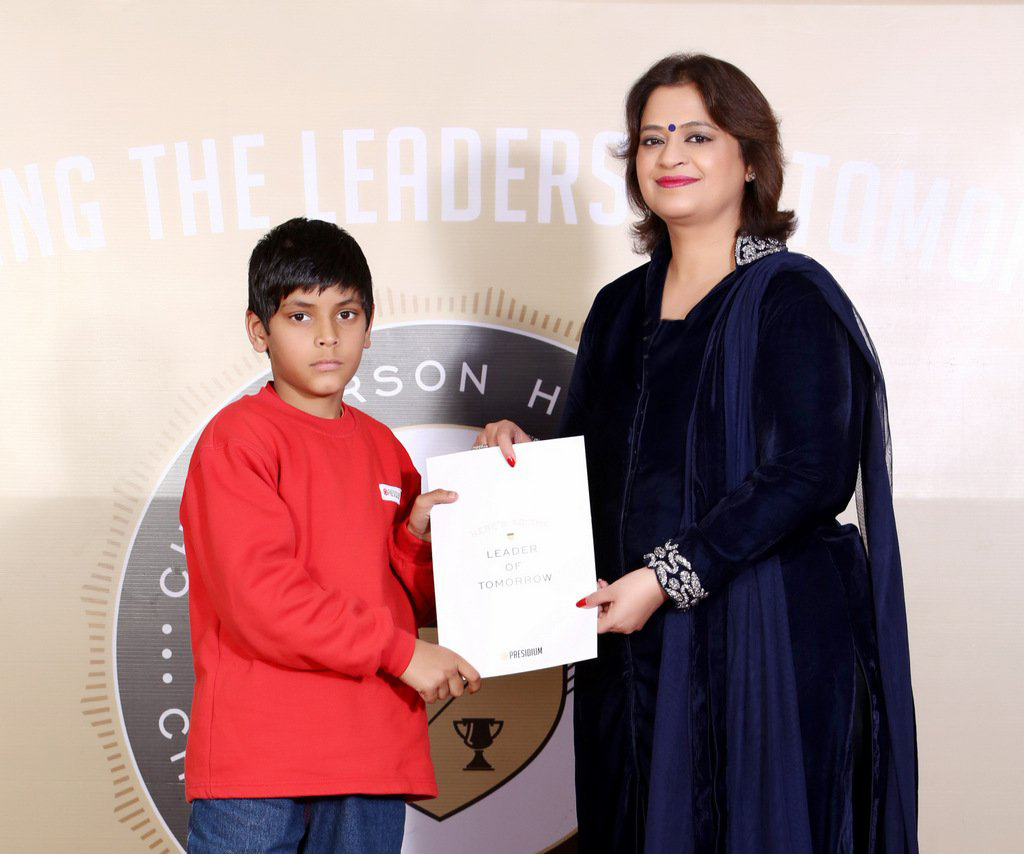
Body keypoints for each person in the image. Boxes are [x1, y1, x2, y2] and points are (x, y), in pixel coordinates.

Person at [477, 55, 917, 853]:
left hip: (764, 648)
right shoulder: (618, 308)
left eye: (697, 135)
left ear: (749, 160)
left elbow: (812, 472)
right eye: (652, 139)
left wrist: (667, 577)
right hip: (628, 648)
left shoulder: (792, 297)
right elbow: (591, 469)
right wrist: (517, 462)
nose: (670, 155)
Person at [179, 217, 480, 853]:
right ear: (258, 330)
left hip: (372, 756)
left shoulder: (383, 447)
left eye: (346, 314)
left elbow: (420, 599)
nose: (326, 335)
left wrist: (421, 536)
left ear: (369, 327)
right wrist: (402, 655)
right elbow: (263, 600)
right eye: (299, 316)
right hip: (261, 759)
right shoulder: (237, 440)